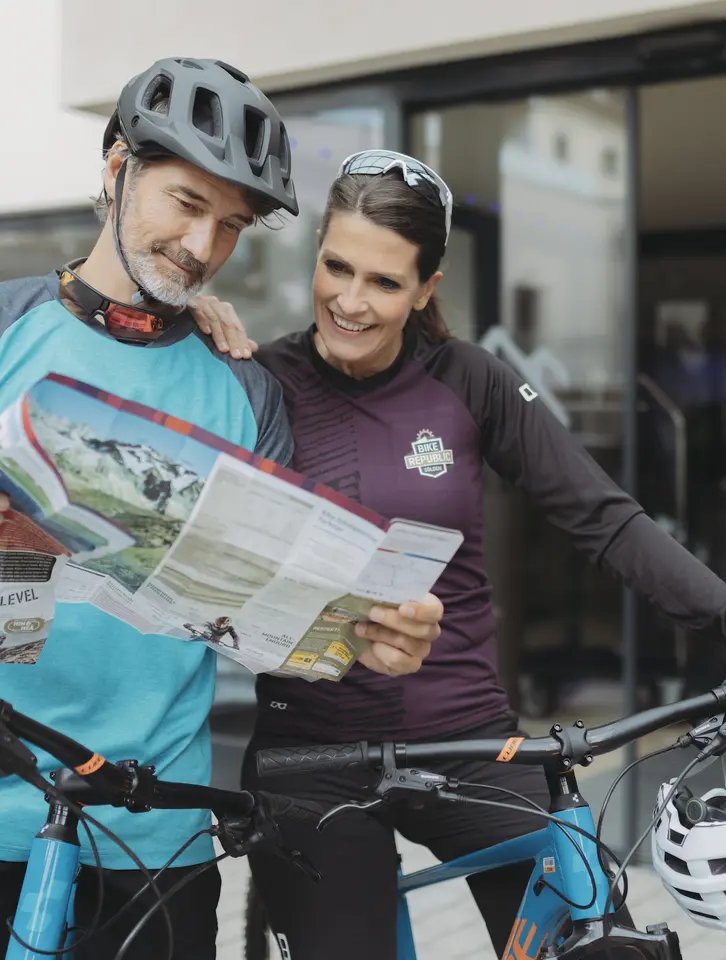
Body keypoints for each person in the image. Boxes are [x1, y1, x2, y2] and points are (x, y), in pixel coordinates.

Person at [190, 148, 726, 959]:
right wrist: (187, 318)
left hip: (469, 743)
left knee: (595, 934)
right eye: (336, 267)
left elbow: (606, 520)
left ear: (427, 288)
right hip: (308, 758)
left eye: (385, 282)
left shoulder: (469, 381)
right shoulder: (256, 380)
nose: (349, 301)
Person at [0, 68, 443, 959]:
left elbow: (270, 607)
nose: (203, 245)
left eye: (232, 225)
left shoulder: (243, 387)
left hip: (155, 830)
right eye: (186, 202)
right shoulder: (8, 327)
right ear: (118, 167)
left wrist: (368, 631)